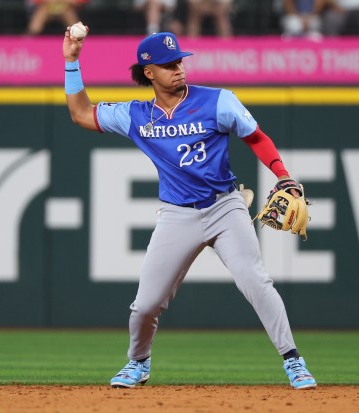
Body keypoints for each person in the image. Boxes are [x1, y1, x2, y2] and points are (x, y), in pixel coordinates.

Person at [61, 28, 318, 390]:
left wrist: (283, 175)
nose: (178, 69)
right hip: (176, 215)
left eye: (179, 61)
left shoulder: (218, 101)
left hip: (226, 207)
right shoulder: (136, 115)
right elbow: (80, 113)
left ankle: (294, 362)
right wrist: (71, 61)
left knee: (256, 282)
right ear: (149, 72)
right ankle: (138, 363)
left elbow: (256, 137)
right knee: (146, 305)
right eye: (168, 65)